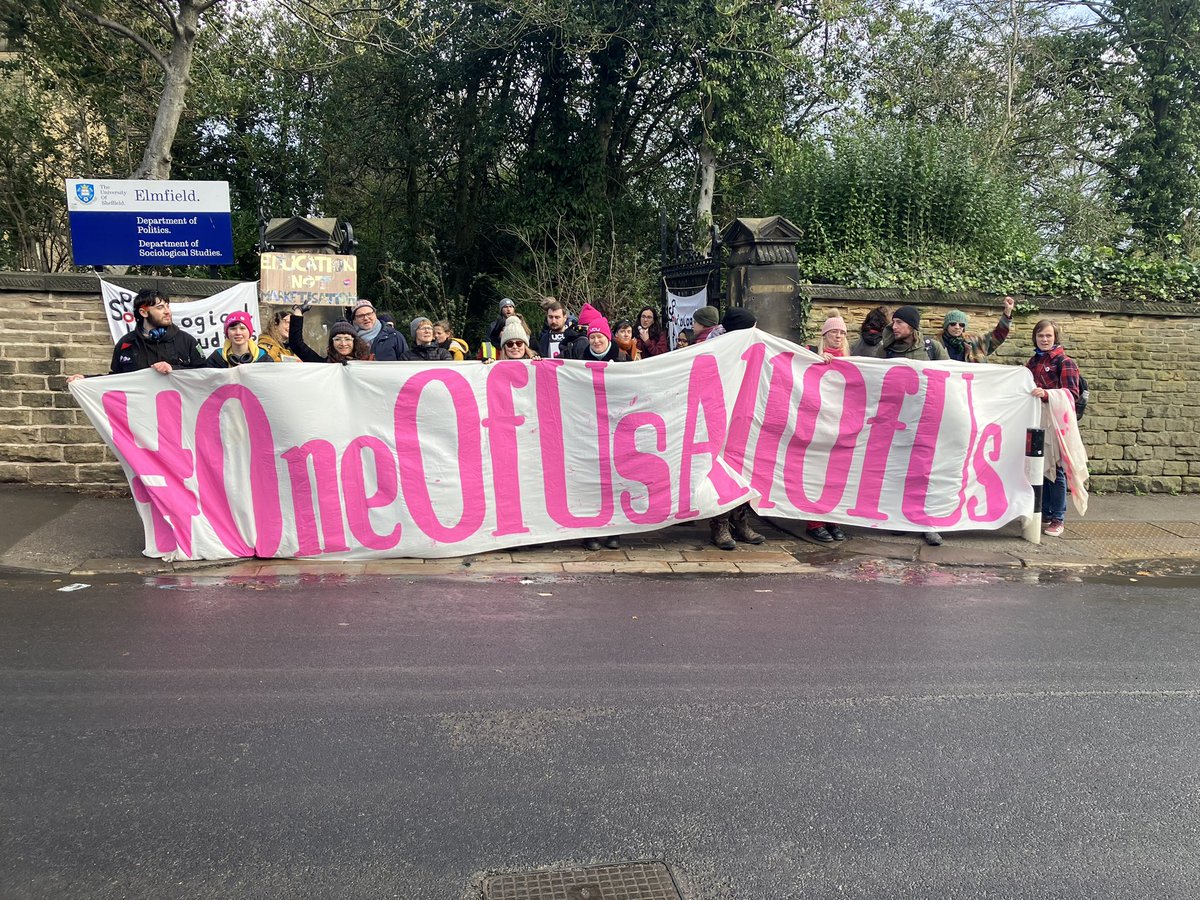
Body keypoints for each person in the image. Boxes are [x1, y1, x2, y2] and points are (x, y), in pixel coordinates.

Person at [855, 305, 948, 546]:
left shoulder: (931, 348)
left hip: (926, 421)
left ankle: (927, 523)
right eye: (893, 322)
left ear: (912, 326)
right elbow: (870, 379)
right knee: (896, 472)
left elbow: (951, 376)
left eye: (899, 323)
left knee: (925, 473)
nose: (893, 327)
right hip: (894, 423)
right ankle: (899, 519)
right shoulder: (883, 350)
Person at [705, 307, 768, 550]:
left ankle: (740, 520)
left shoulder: (750, 343)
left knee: (743, 465)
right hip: (720, 413)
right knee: (720, 467)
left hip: (744, 412)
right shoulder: (716, 347)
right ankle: (719, 524)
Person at [67, 289, 206, 383]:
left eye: (167, 306)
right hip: (140, 418)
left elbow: (204, 375)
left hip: (177, 416)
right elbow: (117, 380)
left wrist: (173, 369)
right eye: (160, 307)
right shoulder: (126, 343)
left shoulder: (186, 340)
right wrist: (86, 379)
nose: (167, 311)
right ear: (143, 313)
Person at [1027, 319, 1081, 537]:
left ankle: (1058, 517)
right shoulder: (1033, 361)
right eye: (1041, 336)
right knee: (1040, 466)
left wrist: (1048, 394)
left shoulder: (1065, 362)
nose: (1045, 339)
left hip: (1057, 423)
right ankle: (1046, 511)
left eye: (1048, 336)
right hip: (1038, 420)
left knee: (1056, 468)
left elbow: (1072, 394)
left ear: (1055, 337)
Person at [803, 316, 850, 543]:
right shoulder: (811, 353)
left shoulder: (853, 361)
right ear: (824, 335)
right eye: (834, 332)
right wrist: (814, 360)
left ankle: (834, 520)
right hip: (819, 425)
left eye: (842, 333)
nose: (838, 336)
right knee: (816, 475)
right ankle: (814, 522)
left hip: (842, 427)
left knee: (837, 477)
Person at [942, 296, 1015, 362]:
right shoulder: (936, 344)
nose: (957, 327)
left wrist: (1007, 311)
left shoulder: (975, 342)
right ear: (946, 326)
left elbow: (998, 335)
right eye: (953, 324)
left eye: (961, 324)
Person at [289, 306, 373, 362]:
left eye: (347, 339)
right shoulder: (325, 365)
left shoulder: (368, 362)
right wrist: (298, 311)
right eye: (337, 339)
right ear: (331, 343)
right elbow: (296, 345)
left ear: (354, 342)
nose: (343, 344)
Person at [206, 311, 273, 367]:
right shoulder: (216, 359)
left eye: (242, 328)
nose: (238, 332)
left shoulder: (264, 359)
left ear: (250, 332)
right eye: (233, 329)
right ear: (227, 333)